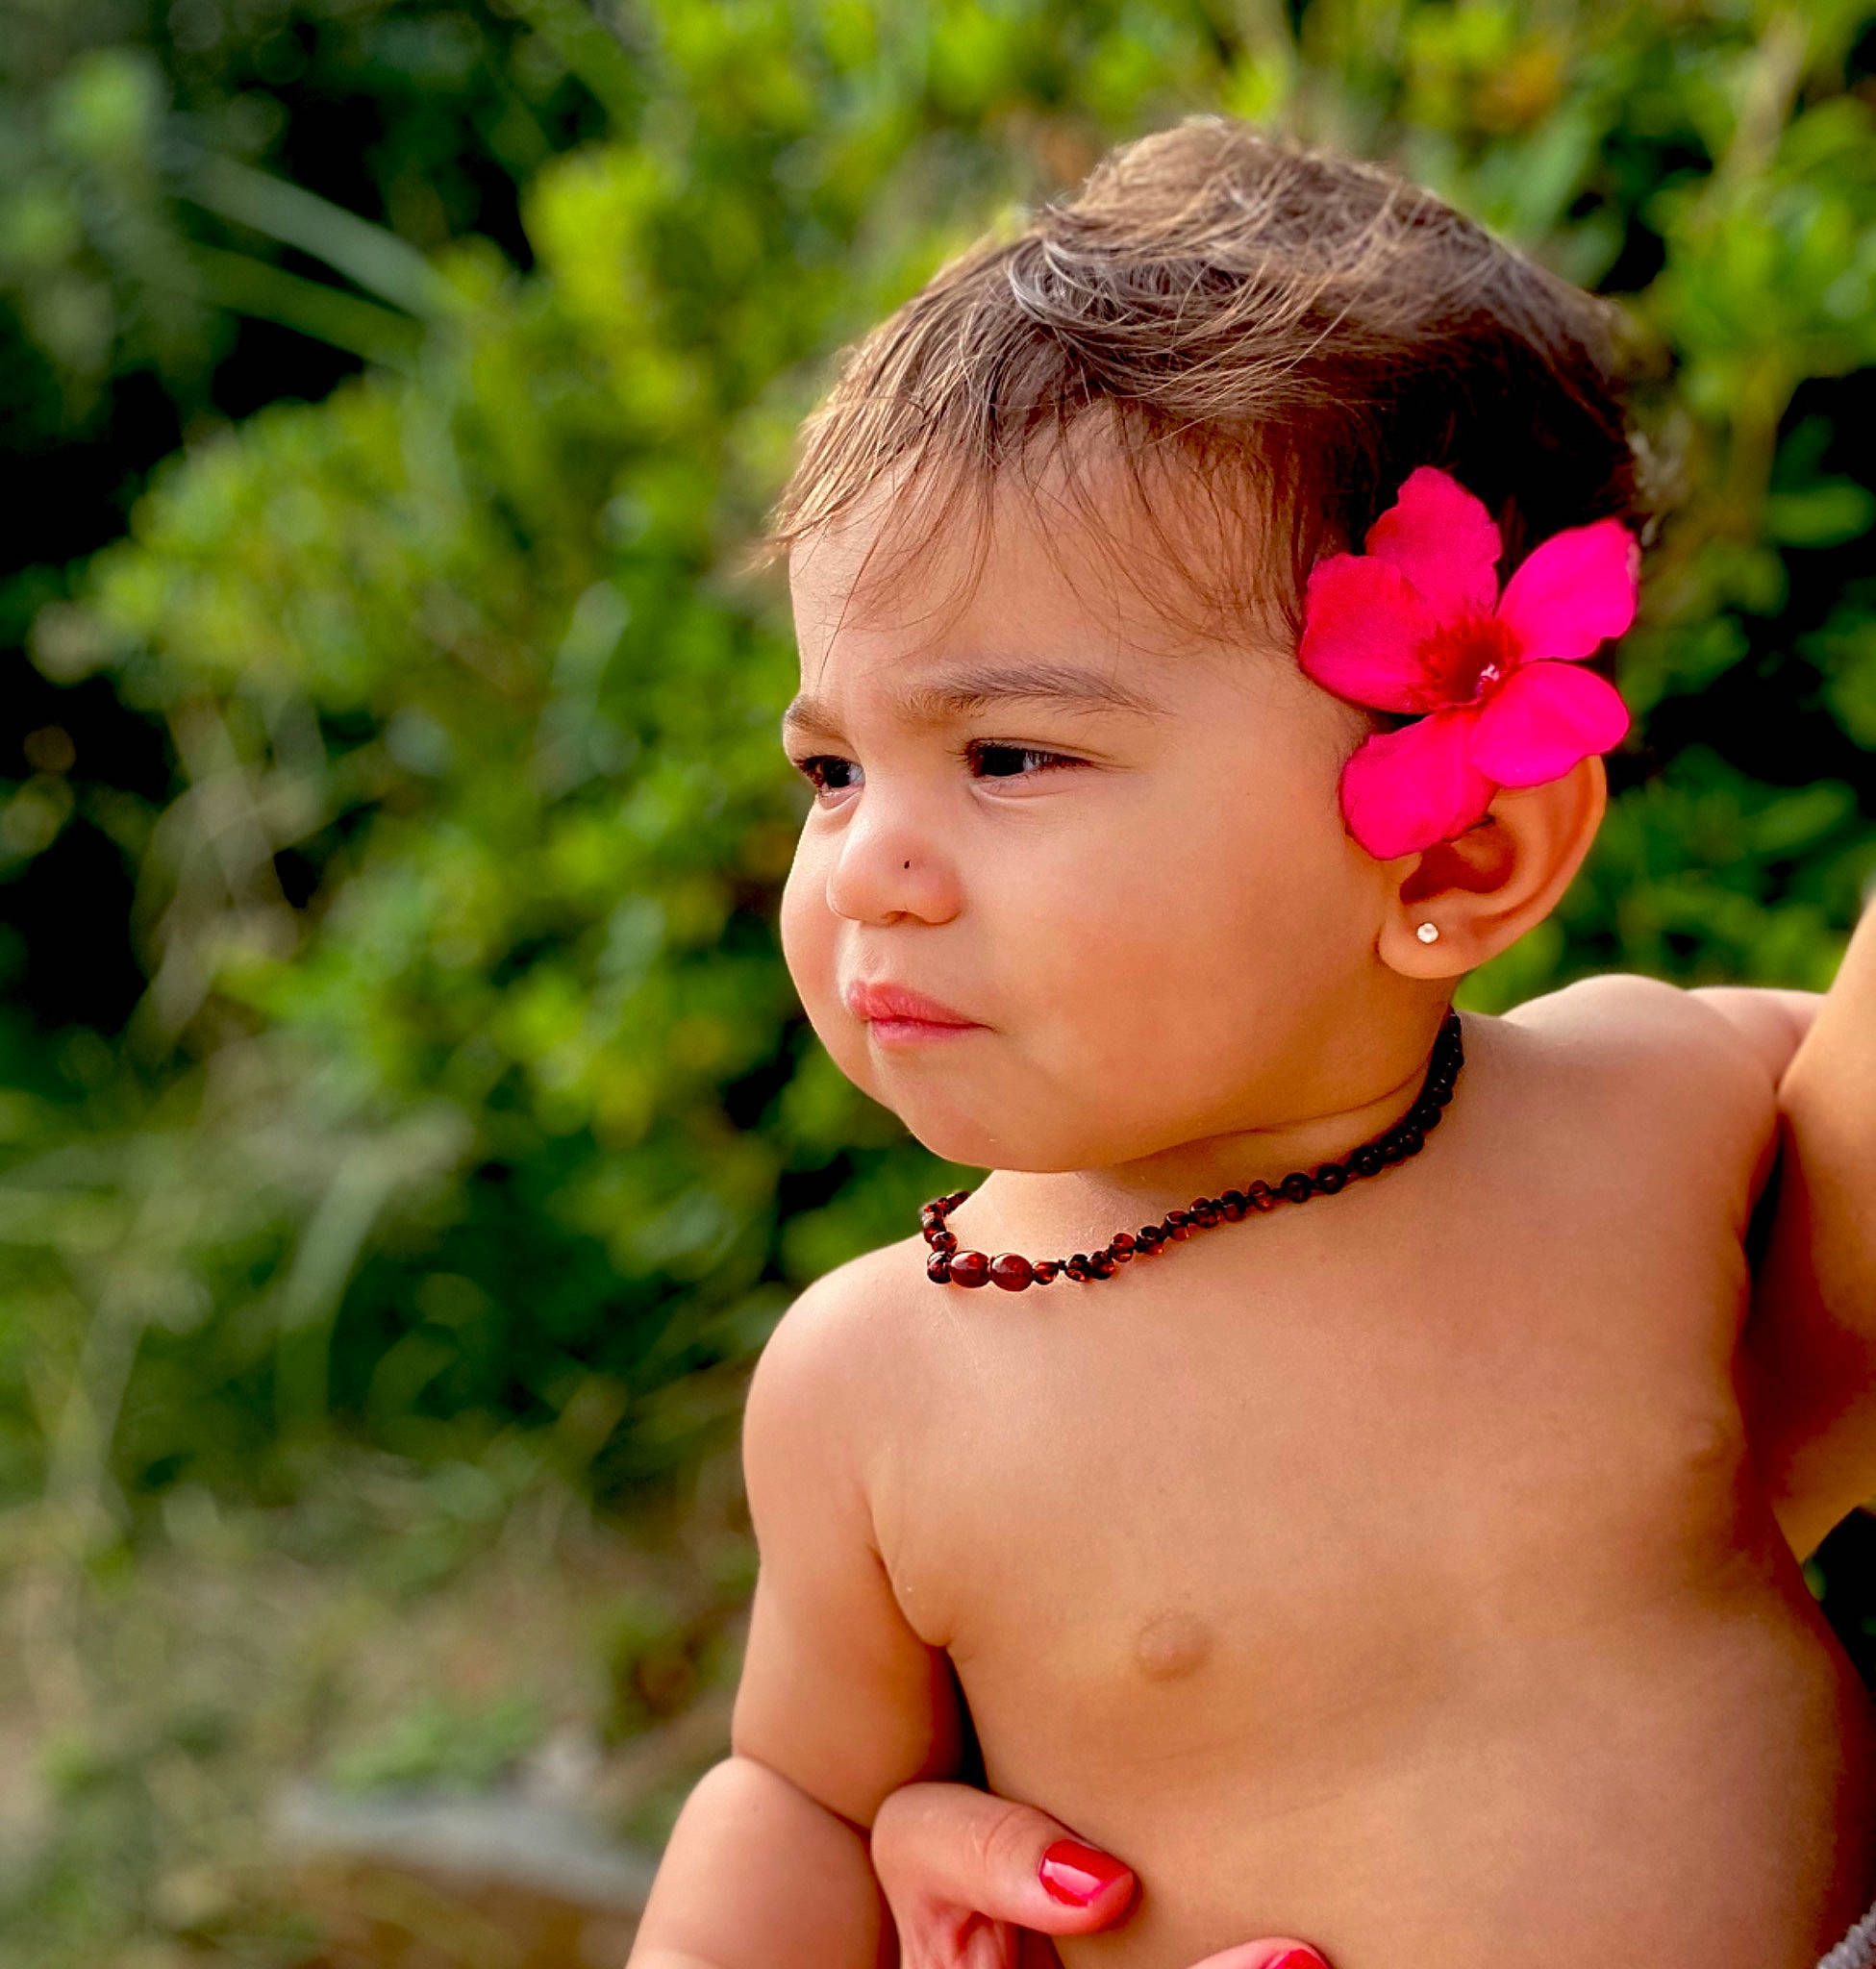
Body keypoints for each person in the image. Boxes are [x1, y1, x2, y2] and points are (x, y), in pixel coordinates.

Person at [628, 120, 1876, 1968]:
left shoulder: (1667, 1116)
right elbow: (801, 1804)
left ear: (1457, 846)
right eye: (832, 766)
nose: (866, 860)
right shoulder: (884, 1384)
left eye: (1009, 755)